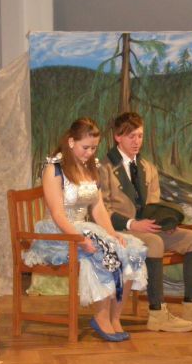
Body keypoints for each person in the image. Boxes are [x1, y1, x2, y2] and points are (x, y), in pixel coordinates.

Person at [22, 117, 148, 342]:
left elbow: (98, 208)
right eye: (85, 147)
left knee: (130, 248)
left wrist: (113, 233)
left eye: (94, 148)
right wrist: (79, 239)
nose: (89, 153)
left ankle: (115, 317)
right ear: (71, 142)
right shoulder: (54, 169)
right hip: (61, 233)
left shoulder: (91, 168)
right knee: (103, 251)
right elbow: (58, 214)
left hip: (85, 228)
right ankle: (101, 317)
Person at [99, 112, 192, 332]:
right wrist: (131, 224)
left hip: (149, 228)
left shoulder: (147, 167)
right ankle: (157, 313)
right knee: (155, 242)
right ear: (117, 137)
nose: (137, 141)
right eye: (131, 136)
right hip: (120, 230)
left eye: (140, 136)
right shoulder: (104, 168)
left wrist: (165, 222)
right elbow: (99, 210)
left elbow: (153, 204)